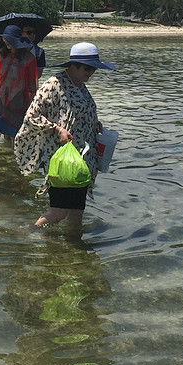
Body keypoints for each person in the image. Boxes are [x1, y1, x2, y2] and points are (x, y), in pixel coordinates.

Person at [14, 42, 117, 228]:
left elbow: (79, 113)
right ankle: (30, 234)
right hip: (61, 159)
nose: (91, 72)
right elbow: (31, 116)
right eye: (87, 68)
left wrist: (95, 124)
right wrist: (57, 129)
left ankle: (73, 248)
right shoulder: (54, 84)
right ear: (73, 65)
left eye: (94, 68)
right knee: (59, 211)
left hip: (81, 161)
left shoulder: (80, 85)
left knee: (77, 212)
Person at [0, 24, 38, 154]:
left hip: (18, 99)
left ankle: (13, 163)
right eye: (5, 39)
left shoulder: (28, 59)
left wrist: (33, 104)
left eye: (10, 40)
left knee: (15, 132)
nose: (6, 42)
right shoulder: (0, 55)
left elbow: (32, 84)